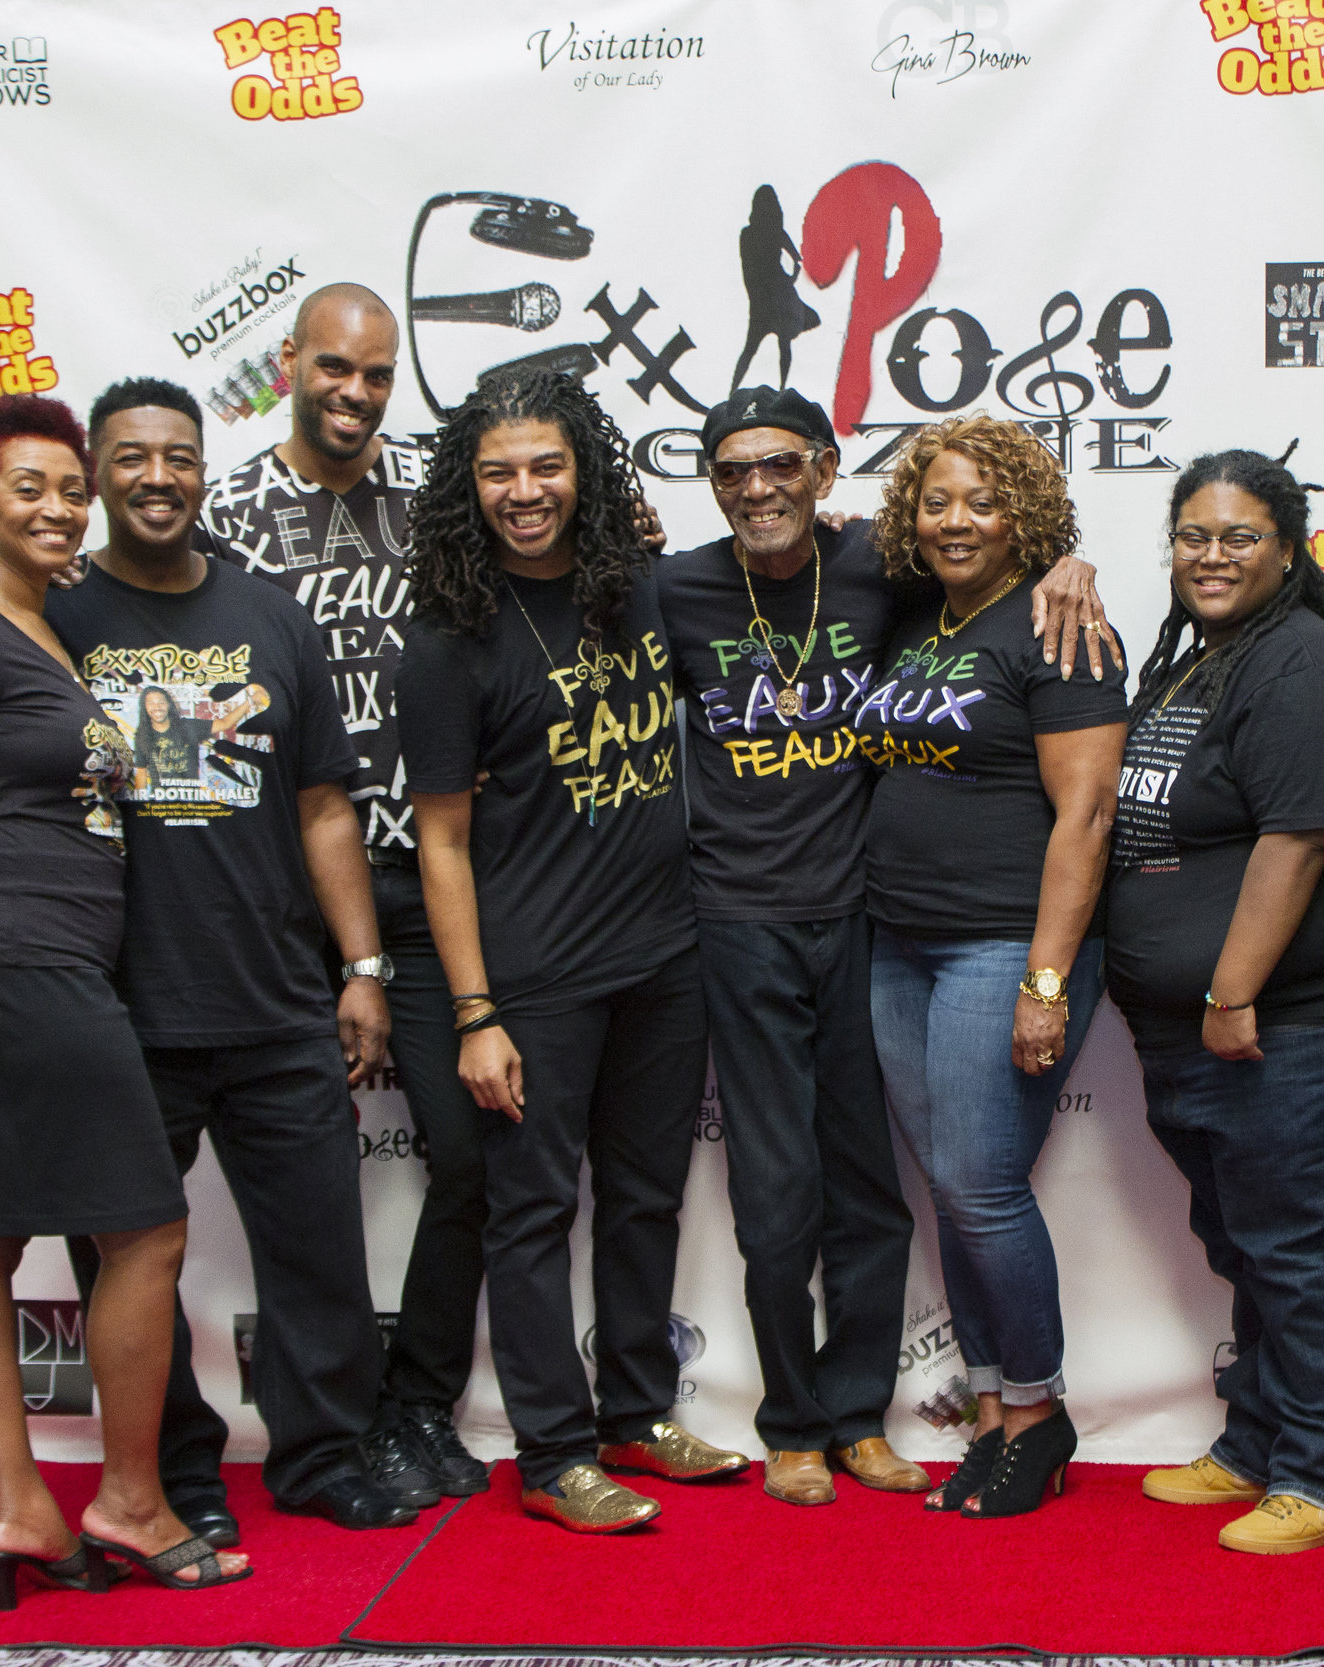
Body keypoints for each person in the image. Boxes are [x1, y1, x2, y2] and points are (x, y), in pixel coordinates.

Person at [656, 386, 1114, 1507]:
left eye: (780, 464)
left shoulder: (884, 574)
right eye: (731, 469)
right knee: (781, 1188)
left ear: (822, 467)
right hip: (756, 920)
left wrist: (1077, 560)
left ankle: (876, 1414)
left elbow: (994, 548)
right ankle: (799, 1422)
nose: (758, 486)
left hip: (885, 923)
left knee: (894, 1186)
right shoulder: (679, 588)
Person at [33, 376, 422, 1538]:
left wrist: (361, 966)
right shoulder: (48, 617)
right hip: (111, 1007)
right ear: (96, 471)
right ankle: (176, 1466)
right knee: (121, 1265)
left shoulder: (269, 614)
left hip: (274, 999)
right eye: (132, 456)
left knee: (318, 1251)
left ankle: (321, 1453)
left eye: (180, 456)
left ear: (207, 470)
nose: (159, 476)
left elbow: (319, 806)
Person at [0, 394, 246, 1604]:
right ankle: (129, 1502)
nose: (55, 506)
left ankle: (26, 1510)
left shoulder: (41, 633)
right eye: (26, 487)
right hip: (11, 971)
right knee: (144, 1226)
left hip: (46, 961)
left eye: (67, 487)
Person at [398, 367, 746, 1534]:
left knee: (645, 1197)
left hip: (662, 954)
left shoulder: (636, 589)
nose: (524, 490)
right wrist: (474, 1010)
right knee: (531, 1212)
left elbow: (798, 570)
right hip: (536, 975)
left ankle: (636, 1410)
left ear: (583, 468)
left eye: (545, 464)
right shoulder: (451, 642)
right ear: (468, 489)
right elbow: (440, 841)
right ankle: (551, 1455)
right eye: (498, 472)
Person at [199, 283, 490, 1502]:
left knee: (472, 1155)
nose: (356, 394)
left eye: (375, 375)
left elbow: (571, 547)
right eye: (333, 369)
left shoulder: (435, 492)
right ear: (288, 364)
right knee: (304, 1181)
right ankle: (320, 1423)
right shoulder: (217, 513)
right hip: (271, 897)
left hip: (420, 878)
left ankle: (417, 1404)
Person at [1109, 447, 1324, 1556]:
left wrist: (1231, 988)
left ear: (1287, 550)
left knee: (1303, 1252)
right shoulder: (1204, 656)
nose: (1211, 554)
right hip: (1191, 1032)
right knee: (1249, 1245)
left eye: (1238, 535)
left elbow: (1299, 839)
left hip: (1284, 1028)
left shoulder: (1301, 662)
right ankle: (1258, 1440)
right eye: (1193, 534)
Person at [862, 413, 1128, 1519]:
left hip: (1003, 945)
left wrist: (1046, 979)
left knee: (978, 1183)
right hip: (899, 941)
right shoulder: (917, 618)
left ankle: (1038, 1407)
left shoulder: (1063, 630)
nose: (956, 519)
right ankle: (988, 1401)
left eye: (981, 499)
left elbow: (1088, 813)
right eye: (936, 500)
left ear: (1024, 510)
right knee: (948, 1184)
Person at [730, 185, 822, 391]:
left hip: (763, 297)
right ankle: (781, 389)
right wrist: (790, 279)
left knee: (751, 348)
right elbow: (798, 260)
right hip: (779, 294)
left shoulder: (748, 234)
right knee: (783, 344)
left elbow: (749, 270)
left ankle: (732, 391)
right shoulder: (776, 233)